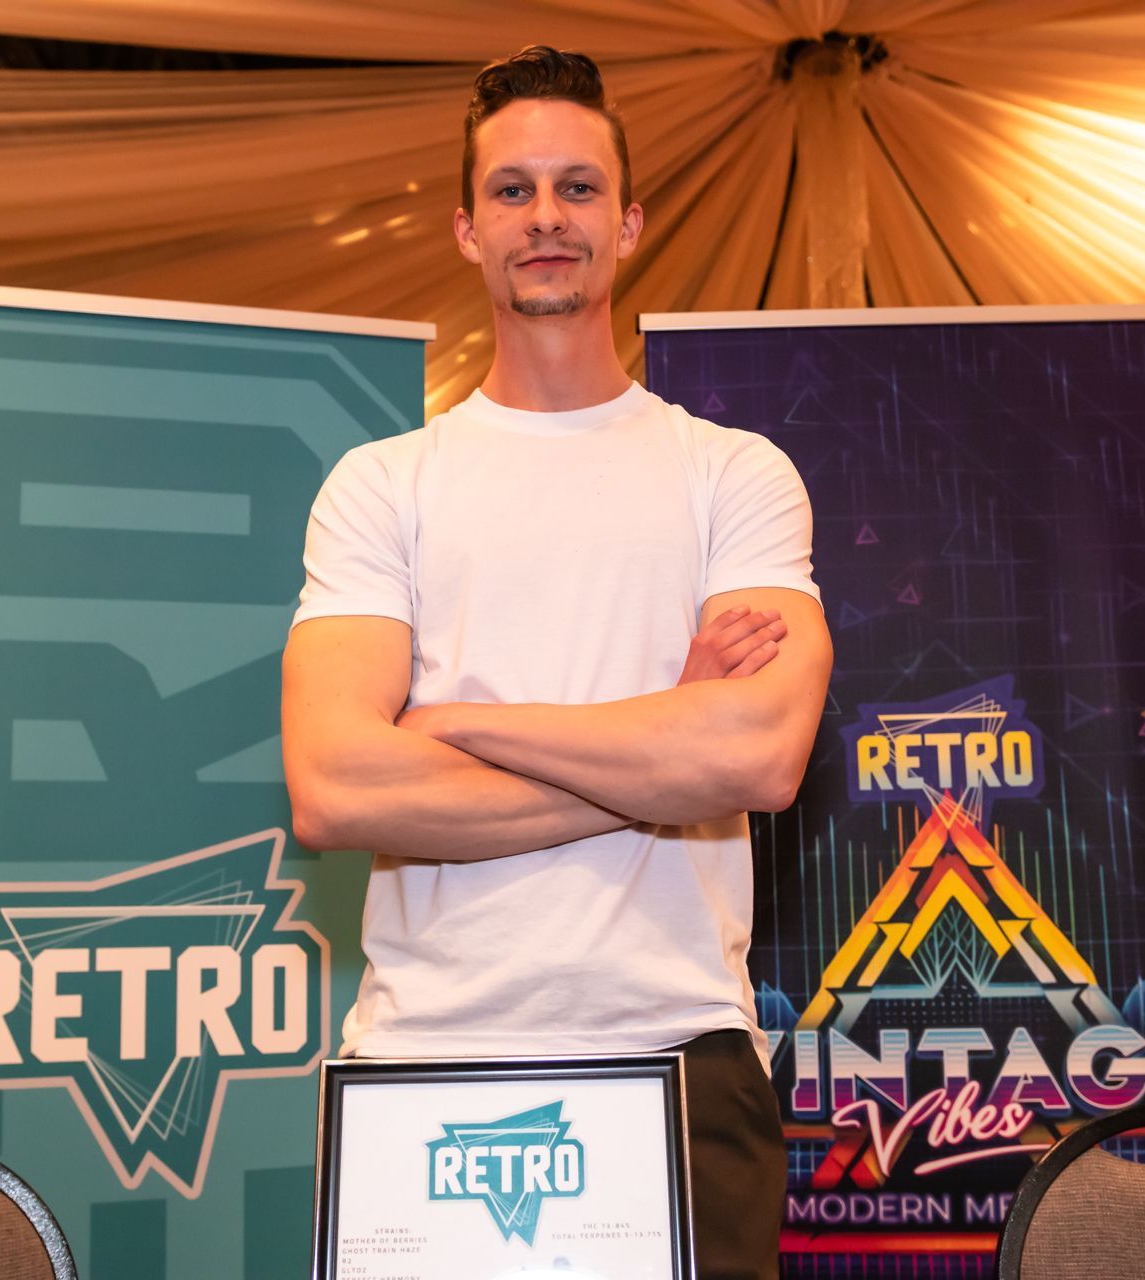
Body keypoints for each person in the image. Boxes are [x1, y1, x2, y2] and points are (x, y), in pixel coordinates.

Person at [281, 46, 831, 1280]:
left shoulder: (734, 473)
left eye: (578, 188)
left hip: (679, 1052)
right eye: (513, 189)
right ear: (467, 228)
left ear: (627, 224)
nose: (545, 216)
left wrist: (452, 722)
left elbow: (758, 755)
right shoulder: (383, 484)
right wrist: (666, 740)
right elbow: (334, 785)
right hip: (428, 1058)